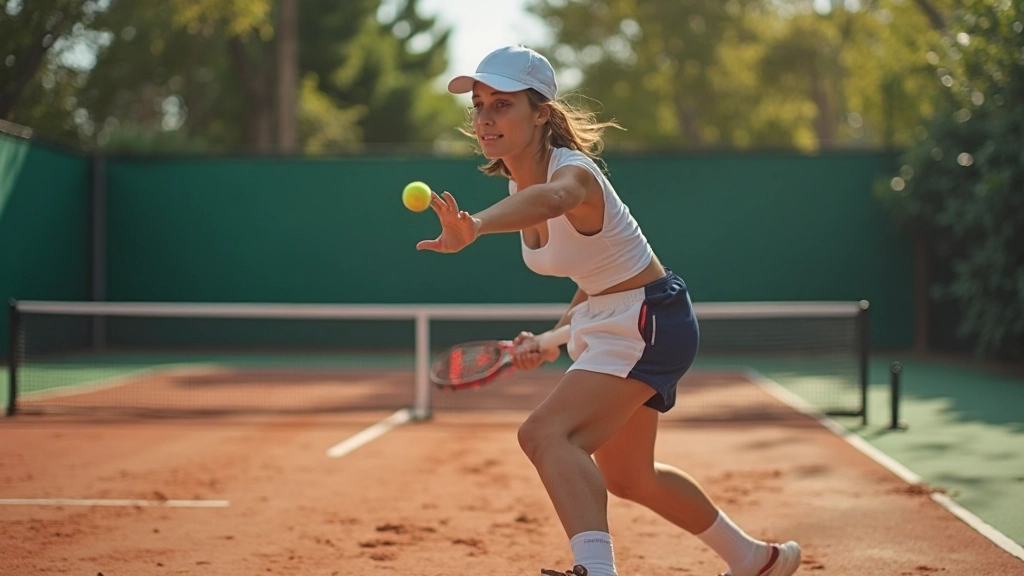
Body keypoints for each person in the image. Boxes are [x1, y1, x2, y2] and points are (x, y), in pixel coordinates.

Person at [416, 45, 802, 576]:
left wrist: (475, 226)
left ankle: (596, 570)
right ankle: (756, 559)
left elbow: (555, 201)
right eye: (479, 105)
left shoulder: (574, 174)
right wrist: (553, 337)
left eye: (502, 104)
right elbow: (593, 277)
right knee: (630, 479)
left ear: (541, 113)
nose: (485, 117)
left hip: (649, 320)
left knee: (546, 435)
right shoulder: (515, 186)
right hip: (617, 319)